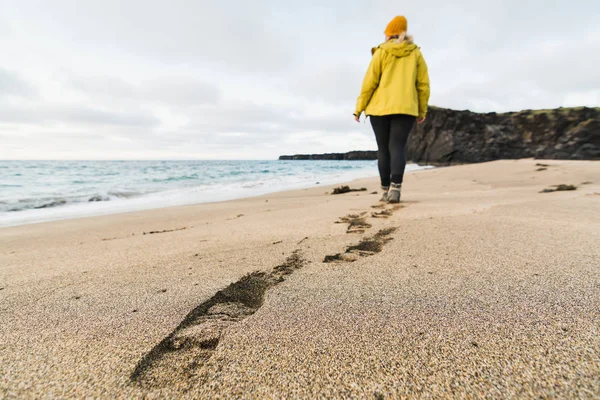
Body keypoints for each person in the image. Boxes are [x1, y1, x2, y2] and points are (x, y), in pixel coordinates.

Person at [354, 16, 430, 203]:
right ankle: (396, 189)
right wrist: (422, 110)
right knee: (397, 147)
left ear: (389, 34)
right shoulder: (415, 53)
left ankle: (384, 190)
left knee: (383, 149)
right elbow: (423, 85)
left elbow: (369, 83)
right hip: (405, 108)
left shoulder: (381, 52)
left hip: (379, 109)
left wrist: (359, 108)